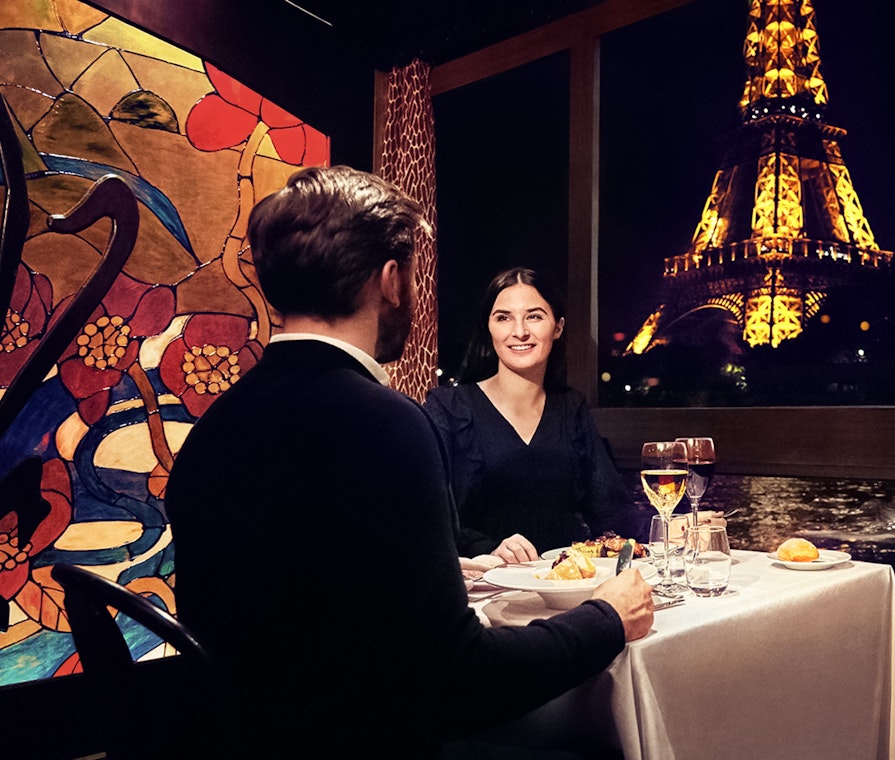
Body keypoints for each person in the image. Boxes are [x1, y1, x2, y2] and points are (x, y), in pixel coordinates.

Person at [165, 166, 653, 758]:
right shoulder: (387, 424)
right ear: (392, 279)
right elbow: (460, 680)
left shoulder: (210, 432)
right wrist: (606, 619)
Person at [425, 267, 643, 563]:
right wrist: (487, 549)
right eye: (504, 317)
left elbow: (611, 511)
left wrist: (673, 525)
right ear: (488, 327)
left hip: (563, 583)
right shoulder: (448, 407)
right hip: (486, 588)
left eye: (534, 316)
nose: (520, 331)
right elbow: (429, 514)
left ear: (558, 327)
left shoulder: (571, 407)